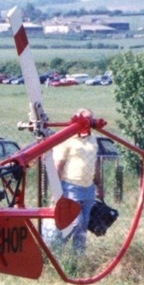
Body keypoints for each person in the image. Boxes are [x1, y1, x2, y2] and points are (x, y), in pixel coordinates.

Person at [53, 108, 100, 253]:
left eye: (91, 119)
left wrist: (99, 185)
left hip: (88, 188)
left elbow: (95, 163)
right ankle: (54, 250)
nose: (90, 122)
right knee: (76, 222)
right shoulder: (67, 139)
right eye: (87, 119)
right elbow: (58, 165)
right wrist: (56, 191)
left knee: (84, 223)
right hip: (70, 186)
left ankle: (78, 257)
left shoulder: (92, 139)